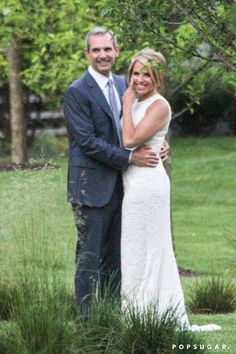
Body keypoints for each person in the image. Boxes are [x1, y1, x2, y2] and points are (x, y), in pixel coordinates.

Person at [63, 28, 169, 312]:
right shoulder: (77, 92)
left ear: (116, 52)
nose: (102, 55)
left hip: (125, 188)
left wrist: (161, 141)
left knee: (117, 257)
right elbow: (86, 142)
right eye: (96, 50)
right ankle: (87, 322)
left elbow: (142, 119)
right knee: (89, 256)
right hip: (92, 187)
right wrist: (130, 157)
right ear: (87, 54)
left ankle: (111, 318)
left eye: (107, 49)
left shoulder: (126, 84)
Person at [120, 49, 221, 332]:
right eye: (135, 73)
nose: (139, 80)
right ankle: (138, 314)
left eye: (147, 75)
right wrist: (161, 142)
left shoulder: (158, 105)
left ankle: (151, 315)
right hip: (132, 182)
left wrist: (127, 105)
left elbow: (129, 139)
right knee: (134, 250)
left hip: (147, 186)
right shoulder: (136, 100)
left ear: (158, 78)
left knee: (150, 250)